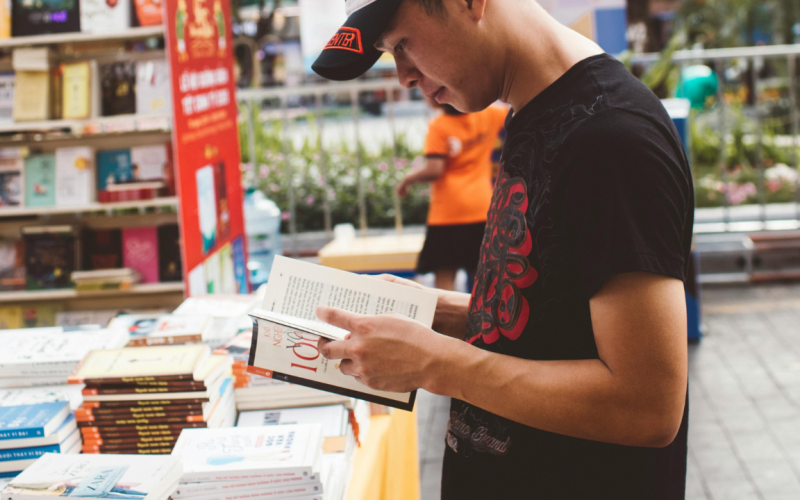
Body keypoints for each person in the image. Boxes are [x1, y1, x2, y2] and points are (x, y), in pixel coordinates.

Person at [311, 0, 693, 498]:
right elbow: (561, 319)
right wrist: (437, 312)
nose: (403, 74)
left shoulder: (612, 137)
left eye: (402, 44)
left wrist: (437, 363)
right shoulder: (533, 111)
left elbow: (647, 406)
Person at [398, 98, 506, 290]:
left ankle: (445, 320)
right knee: (482, 276)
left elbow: (434, 170)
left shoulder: (440, 125)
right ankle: (485, 319)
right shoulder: (490, 115)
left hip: (448, 212)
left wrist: (408, 178)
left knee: (445, 276)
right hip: (481, 208)